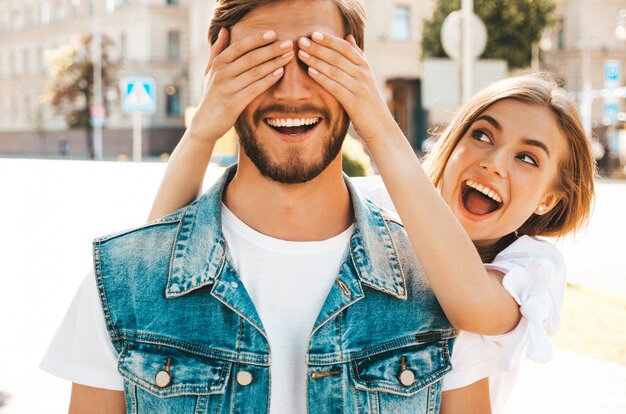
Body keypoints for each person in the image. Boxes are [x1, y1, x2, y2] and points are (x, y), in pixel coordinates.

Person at [40, 0, 471, 414]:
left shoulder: (444, 284)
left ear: (356, 73)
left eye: (317, 60)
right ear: (218, 78)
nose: (291, 90)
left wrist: (380, 127)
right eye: (260, 63)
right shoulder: (120, 280)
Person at [144, 53, 595, 414]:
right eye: (481, 135)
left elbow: (471, 305)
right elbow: (159, 260)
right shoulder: (373, 205)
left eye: (528, 158)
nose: (494, 162)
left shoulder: (533, 268)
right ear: (452, 142)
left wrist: (377, 124)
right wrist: (203, 131)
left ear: (548, 200)